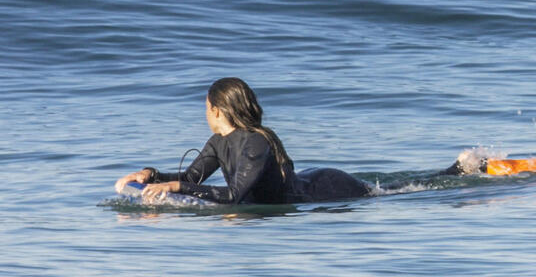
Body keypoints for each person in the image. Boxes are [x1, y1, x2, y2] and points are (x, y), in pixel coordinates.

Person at [114, 77, 371, 205]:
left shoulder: (255, 142)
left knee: (390, 192)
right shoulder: (218, 141)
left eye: (206, 107)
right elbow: (192, 179)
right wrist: (151, 175)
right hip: (308, 181)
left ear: (216, 110)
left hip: (327, 188)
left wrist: (174, 188)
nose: (205, 114)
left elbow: (235, 195)